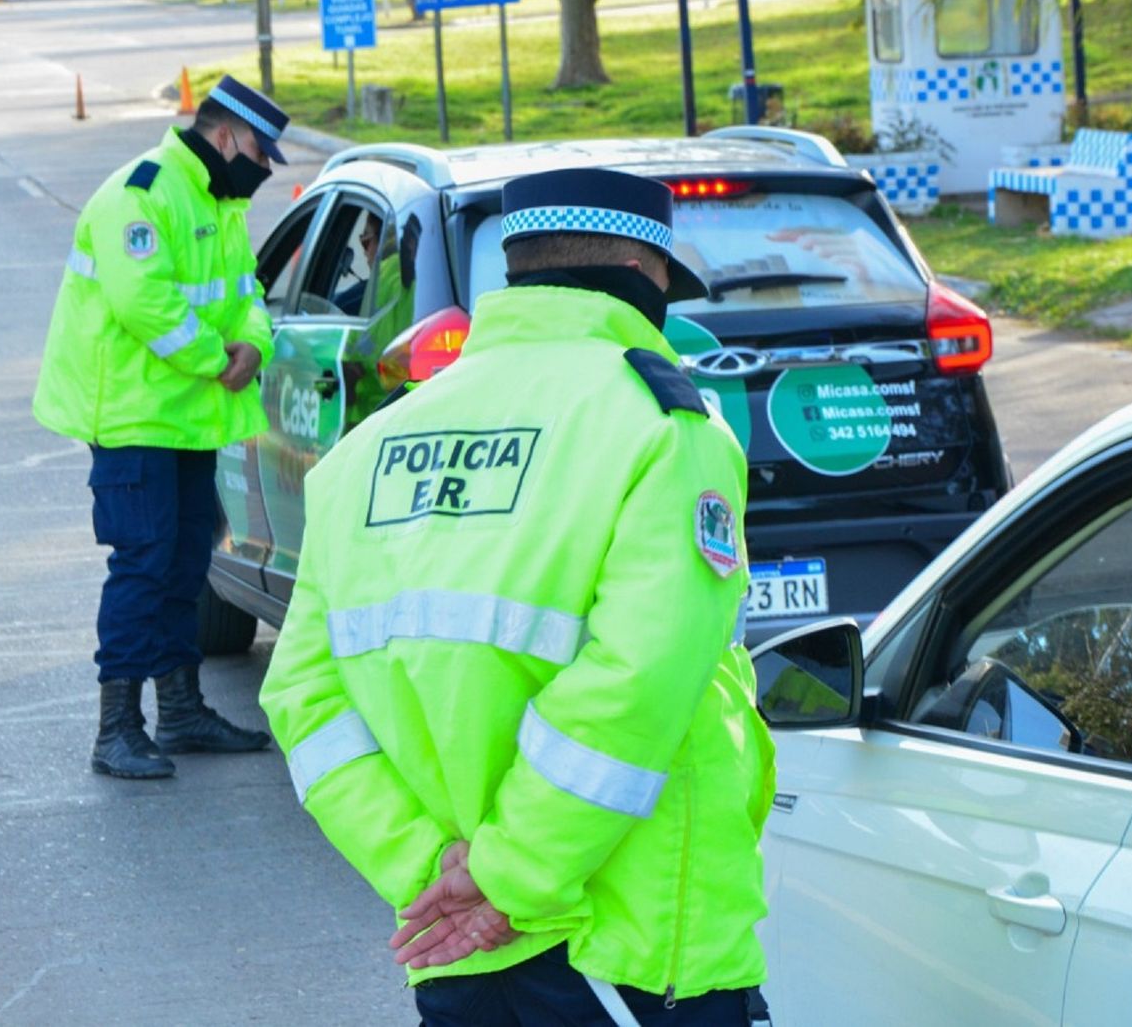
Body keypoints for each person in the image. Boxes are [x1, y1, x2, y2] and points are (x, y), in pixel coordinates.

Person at [259, 168, 776, 1026]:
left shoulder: (371, 448)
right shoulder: (664, 430)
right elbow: (635, 687)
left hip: (455, 947)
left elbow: (305, 698)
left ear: (514, 271)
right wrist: (505, 879)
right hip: (630, 955)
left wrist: (430, 871)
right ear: (647, 277)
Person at [32, 74, 289, 780]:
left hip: (187, 420)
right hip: (132, 417)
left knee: (182, 563)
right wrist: (218, 359)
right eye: (262, 154)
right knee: (143, 564)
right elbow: (143, 301)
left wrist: (255, 345)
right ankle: (117, 727)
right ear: (228, 137)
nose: (264, 170)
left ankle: (180, 711)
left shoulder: (218, 201)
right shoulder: (140, 193)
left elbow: (246, 294)